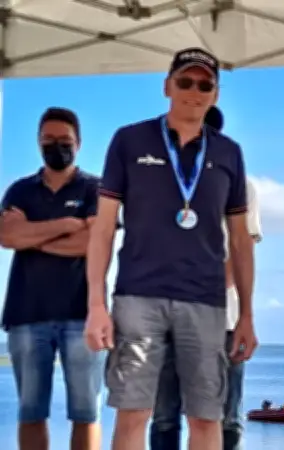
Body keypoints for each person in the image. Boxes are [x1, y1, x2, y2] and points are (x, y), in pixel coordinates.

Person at [83, 47, 258, 450]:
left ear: (215, 93)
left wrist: (246, 314)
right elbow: (104, 228)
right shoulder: (129, 140)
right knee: (133, 413)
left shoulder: (229, 152)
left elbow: (241, 240)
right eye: (185, 82)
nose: (194, 91)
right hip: (137, 297)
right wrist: (96, 304)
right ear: (167, 87)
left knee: (206, 416)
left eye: (205, 84)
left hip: (206, 302)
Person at [149, 105, 264, 450]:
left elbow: (242, 253)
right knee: (165, 416)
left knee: (226, 417)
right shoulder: (158, 186)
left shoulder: (242, 185)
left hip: (222, 320)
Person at [0, 107, 103, 450]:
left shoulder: (95, 188)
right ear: (37, 142)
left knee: (86, 413)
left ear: (79, 143)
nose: (56, 146)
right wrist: (65, 226)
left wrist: (33, 236)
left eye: (64, 141)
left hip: (83, 315)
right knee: (30, 411)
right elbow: (8, 238)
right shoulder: (19, 190)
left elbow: (94, 242)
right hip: (26, 314)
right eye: (48, 140)